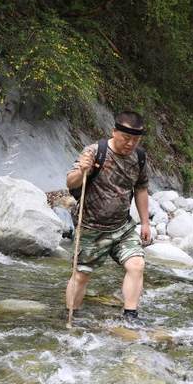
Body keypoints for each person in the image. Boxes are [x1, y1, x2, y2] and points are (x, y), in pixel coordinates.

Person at [65, 110, 152, 321]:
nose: (130, 144)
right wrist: (82, 171)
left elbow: (141, 189)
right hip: (91, 227)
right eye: (126, 138)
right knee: (81, 275)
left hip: (122, 227)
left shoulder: (139, 157)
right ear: (114, 132)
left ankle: (130, 316)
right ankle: (70, 316)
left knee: (137, 265)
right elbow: (70, 182)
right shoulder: (95, 152)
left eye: (135, 140)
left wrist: (145, 223)